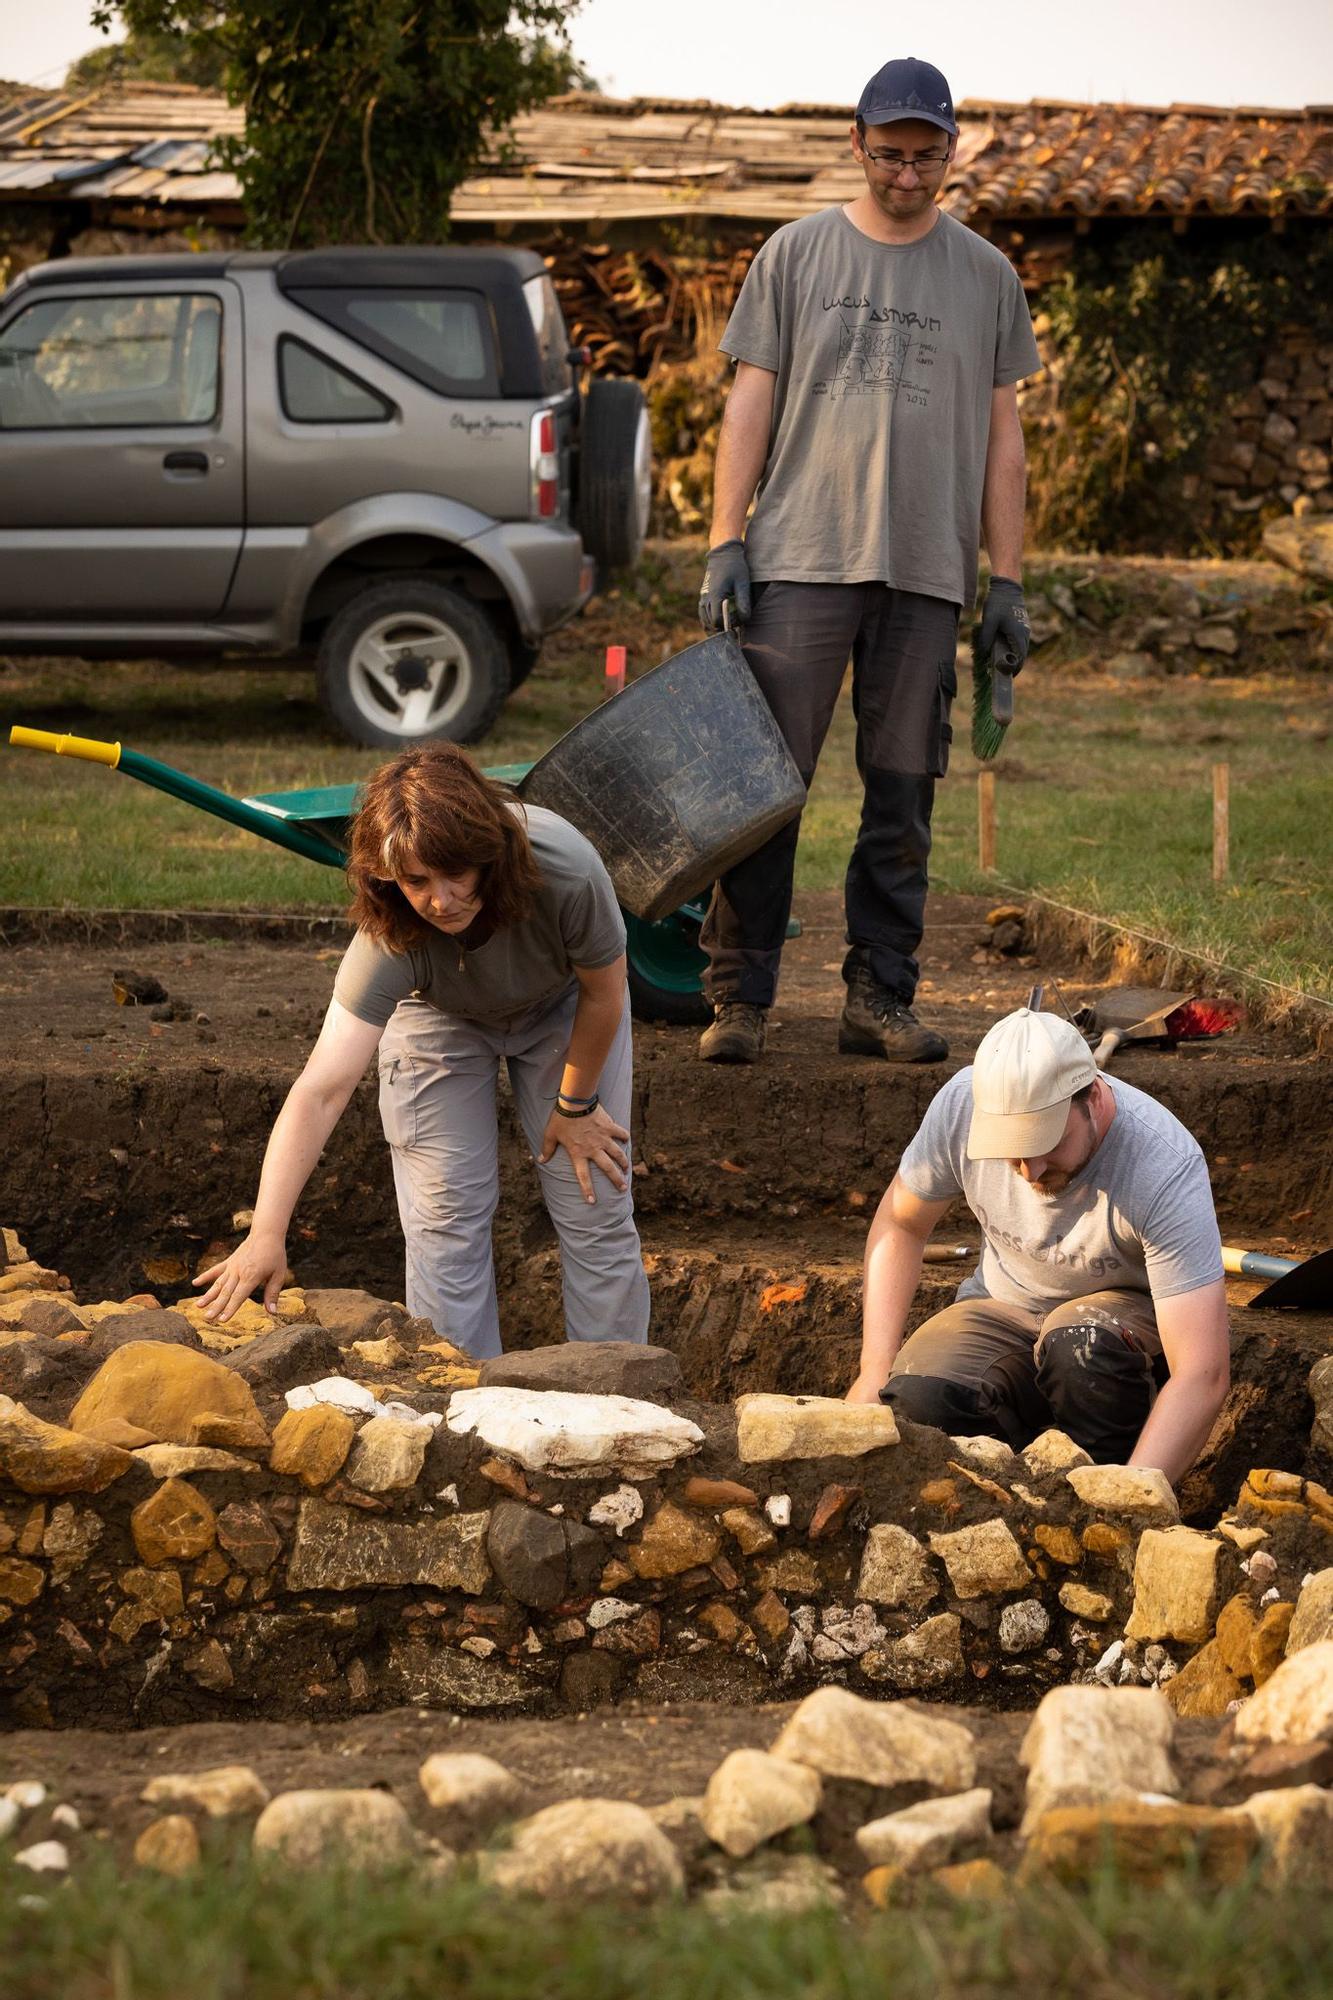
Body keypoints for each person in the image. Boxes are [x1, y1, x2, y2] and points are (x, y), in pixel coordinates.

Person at [696, 55, 1040, 1067]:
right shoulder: (796, 256)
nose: (905, 174)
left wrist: (1006, 577)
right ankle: (739, 997)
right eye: (887, 154)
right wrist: (725, 535)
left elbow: (1003, 437)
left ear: (950, 150)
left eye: (925, 156)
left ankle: (877, 996)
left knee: (903, 793)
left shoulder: (984, 275)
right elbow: (748, 400)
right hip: (799, 554)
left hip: (927, 572)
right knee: (762, 785)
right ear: (854, 143)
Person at [195, 745, 651, 1360]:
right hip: (437, 1015)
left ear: (487, 857)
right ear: (387, 877)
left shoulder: (563, 867)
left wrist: (575, 1106)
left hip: (563, 1010)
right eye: (415, 881)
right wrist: (267, 1232)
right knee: (444, 1223)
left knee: (592, 1205)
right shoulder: (389, 937)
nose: (441, 901)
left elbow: (605, 992)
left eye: (456, 874)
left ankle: (615, 1392)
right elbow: (323, 1088)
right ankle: (458, 1399)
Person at [846, 1007, 1230, 1485]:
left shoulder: (1162, 1166)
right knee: (921, 1399)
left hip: (1115, 1324)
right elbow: (901, 1226)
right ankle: (1006, 1494)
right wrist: (872, 1372)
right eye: (1013, 1149)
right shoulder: (961, 1106)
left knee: (1078, 1346)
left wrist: (1134, 1496)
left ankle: (1097, 1485)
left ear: (1092, 1096)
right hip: (1002, 1306)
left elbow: (1203, 1373)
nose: (1029, 1170)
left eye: (1048, 1142)